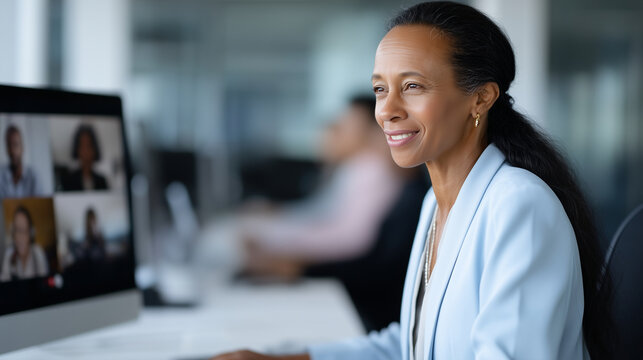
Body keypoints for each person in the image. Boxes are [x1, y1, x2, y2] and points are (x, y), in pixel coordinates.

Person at [211, 2, 610, 360]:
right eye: (380, 89)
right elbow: (411, 346)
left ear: (481, 98)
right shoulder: (435, 206)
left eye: (413, 86)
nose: (386, 111)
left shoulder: (520, 206)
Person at [239, 96, 403, 277]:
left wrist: (279, 244)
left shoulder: (370, 169)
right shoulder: (354, 168)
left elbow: (351, 237)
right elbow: (322, 214)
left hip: (350, 275)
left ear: (373, 131)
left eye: (349, 126)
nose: (340, 132)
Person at [0, 206, 49, 281]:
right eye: (17, 230)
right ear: (13, 233)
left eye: (24, 231)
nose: (20, 237)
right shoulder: (9, 254)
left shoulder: (38, 253)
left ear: (31, 234)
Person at [62, 124, 108, 191]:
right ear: (77, 149)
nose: (85, 151)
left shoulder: (102, 181)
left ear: (94, 149)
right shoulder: (69, 180)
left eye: (88, 146)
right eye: (82, 146)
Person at [0, 125, 42, 198]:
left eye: (16, 145)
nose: (12, 151)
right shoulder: (1, 175)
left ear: (22, 147)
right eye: (9, 145)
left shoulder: (33, 175)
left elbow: (40, 205)